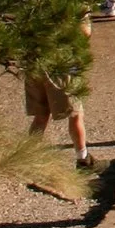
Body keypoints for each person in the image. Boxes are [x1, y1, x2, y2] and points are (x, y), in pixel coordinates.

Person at [25, 10, 94, 169]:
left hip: (35, 63)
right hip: (62, 66)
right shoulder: (73, 4)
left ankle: (28, 156)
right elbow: (84, 33)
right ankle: (83, 159)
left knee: (41, 115)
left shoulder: (33, 4)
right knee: (75, 114)